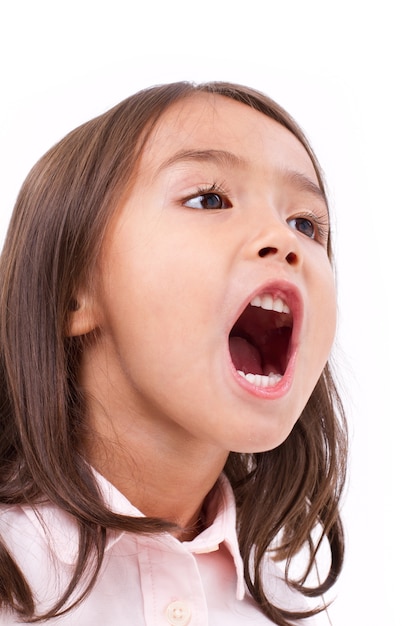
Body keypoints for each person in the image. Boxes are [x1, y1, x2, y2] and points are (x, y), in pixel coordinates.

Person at [0, 81, 347, 625]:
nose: (282, 240)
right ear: (73, 291)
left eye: (305, 223)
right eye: (209, 199)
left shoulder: (287, 609)